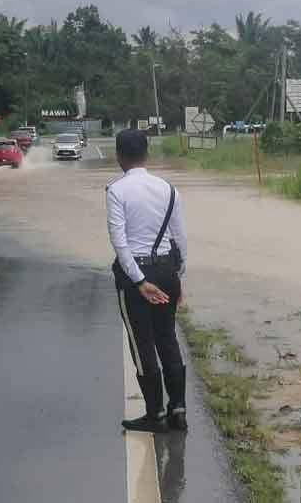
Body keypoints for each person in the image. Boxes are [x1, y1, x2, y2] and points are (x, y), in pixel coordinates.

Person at [107, 129, 189, 433]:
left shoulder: (117, 191)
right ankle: (178, 410)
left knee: (143, 344)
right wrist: (178, 279)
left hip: (135, 277)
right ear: (147, 154)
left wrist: (139, 281)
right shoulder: (169, 189)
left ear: (119, 156)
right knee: (167, 337)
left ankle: (154, 415)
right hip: (168, 271)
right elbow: (180, 238)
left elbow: (120, 242)